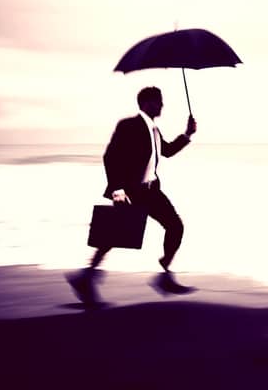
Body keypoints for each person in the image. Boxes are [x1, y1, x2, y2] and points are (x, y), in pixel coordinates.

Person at [67, 86, 197, 304]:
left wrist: (187, 134)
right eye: (159, 101)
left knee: (175, 226)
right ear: (146, 103)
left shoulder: (154, 129)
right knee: (114, 236)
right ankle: (85, 277)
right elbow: (110, 156)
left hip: (152, 190)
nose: (162, 105)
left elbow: (166, 151)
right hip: (131, 191)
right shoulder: (129, 125)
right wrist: (117, 190)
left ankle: (165, 273)